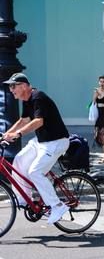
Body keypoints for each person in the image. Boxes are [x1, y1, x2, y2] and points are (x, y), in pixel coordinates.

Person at [2, 73, 70, 224]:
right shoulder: (26, 100)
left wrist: (18, 134)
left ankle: (58, 206)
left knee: (35, 172)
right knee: (19, 160)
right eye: (10, 86)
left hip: (56, 141)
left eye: (13, 86)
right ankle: (23, 199)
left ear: (24, 86)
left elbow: (38, 121)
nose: (11, 89)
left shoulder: (38, 97)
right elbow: (23, 120)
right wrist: (6, 134)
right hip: (41, 141)